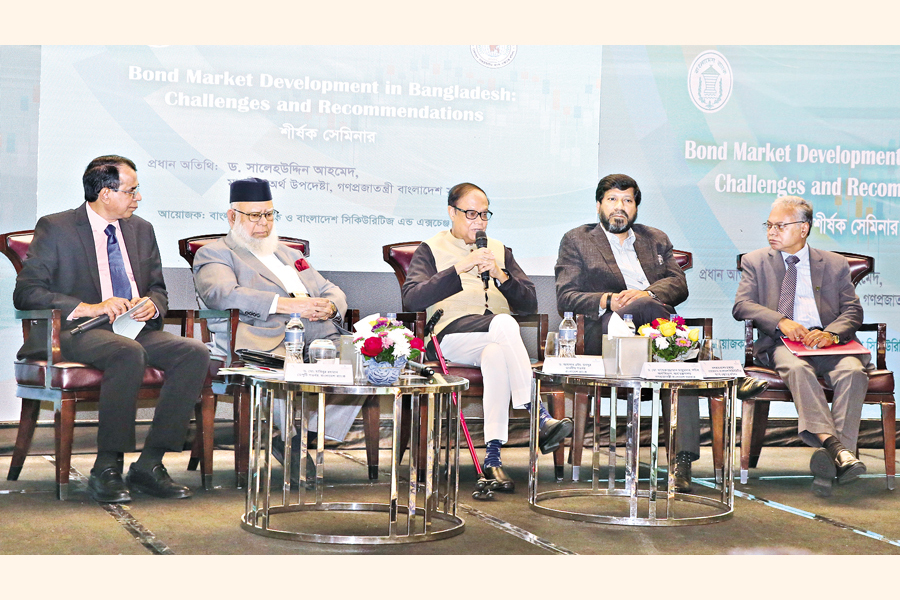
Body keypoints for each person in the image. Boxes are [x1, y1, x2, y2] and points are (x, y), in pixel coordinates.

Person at [13, 155, 211, 504]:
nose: (137, 198)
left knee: (194, 352)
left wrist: (153, 304)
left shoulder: (142, 229)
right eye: (131, 191)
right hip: (79, 330)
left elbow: (158, 288)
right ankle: (106, 467)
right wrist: (89, 306)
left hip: (133, 327)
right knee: (126, 353)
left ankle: (150, 465)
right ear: (106, 193)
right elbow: (27, 292)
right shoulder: (56, 227)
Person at [402, 182, 573, 492]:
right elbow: (412, 299)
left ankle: (492, 460)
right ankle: (538, 413)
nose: (478, 222)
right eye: (470, 214)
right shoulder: (430, 249)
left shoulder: (499, 249)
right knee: (505, 325)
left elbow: (529, 303)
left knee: (496, 351)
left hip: (489, 337)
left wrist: (500, 275)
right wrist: (460, 267)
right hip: (449, 337)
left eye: (484, 214)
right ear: (451, 213)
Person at [192, 177, 358, 482]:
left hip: (318, 335)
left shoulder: (289, 254)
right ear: (233, 217)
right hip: (262, 337)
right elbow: (222, 293)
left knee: (360, 363)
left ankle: (302, 433)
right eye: (254, 216)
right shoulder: (215, 253)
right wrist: (288, 305)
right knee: (284, 367)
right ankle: (292, 436)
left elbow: (329, 288)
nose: (263, 223)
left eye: (268, 215)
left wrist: (331, 306)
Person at [555, 173, 701, 492]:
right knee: (679, 352)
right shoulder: (577, 239)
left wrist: (645, 294)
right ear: (599, 205)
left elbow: (678, 285)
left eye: (628, 200)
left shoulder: (656, 239)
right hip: (606, 331)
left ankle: (682, 461)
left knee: (674, 361)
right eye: (612, 200)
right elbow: (565, 295)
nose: (619, 207)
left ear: (635, 208)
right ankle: (690, 351)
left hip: (652, 329)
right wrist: (610, 299)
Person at [733, 195, 869, 497]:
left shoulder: (833, 264)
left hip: (828, 344)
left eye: (780, 226)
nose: (772, 232)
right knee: (797, 368)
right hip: (783, 344)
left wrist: (831, 334)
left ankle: (832, 459)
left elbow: (853, 311)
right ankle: (838, 449)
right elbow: (742, 305)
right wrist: (781, 322)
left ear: (804, 228)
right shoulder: (755, 262)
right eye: (769, 225)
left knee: (854, 372)